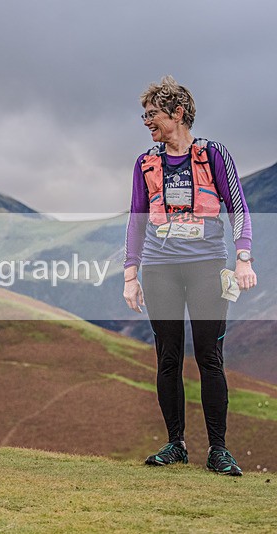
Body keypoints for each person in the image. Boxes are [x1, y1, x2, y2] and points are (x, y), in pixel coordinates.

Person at [123, 76, 256, 476]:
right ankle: (175, 444)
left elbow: (238, 207)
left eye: (152, 114)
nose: (147, 122)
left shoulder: (213, 154)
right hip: (160, 269)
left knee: (209, 356)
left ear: (177, 112)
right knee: (167, 358)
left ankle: (219, 449)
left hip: (206, 267)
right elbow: (136, 219)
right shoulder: (146, 163)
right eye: (144, 115)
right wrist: (131, 274)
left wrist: (244, 258)